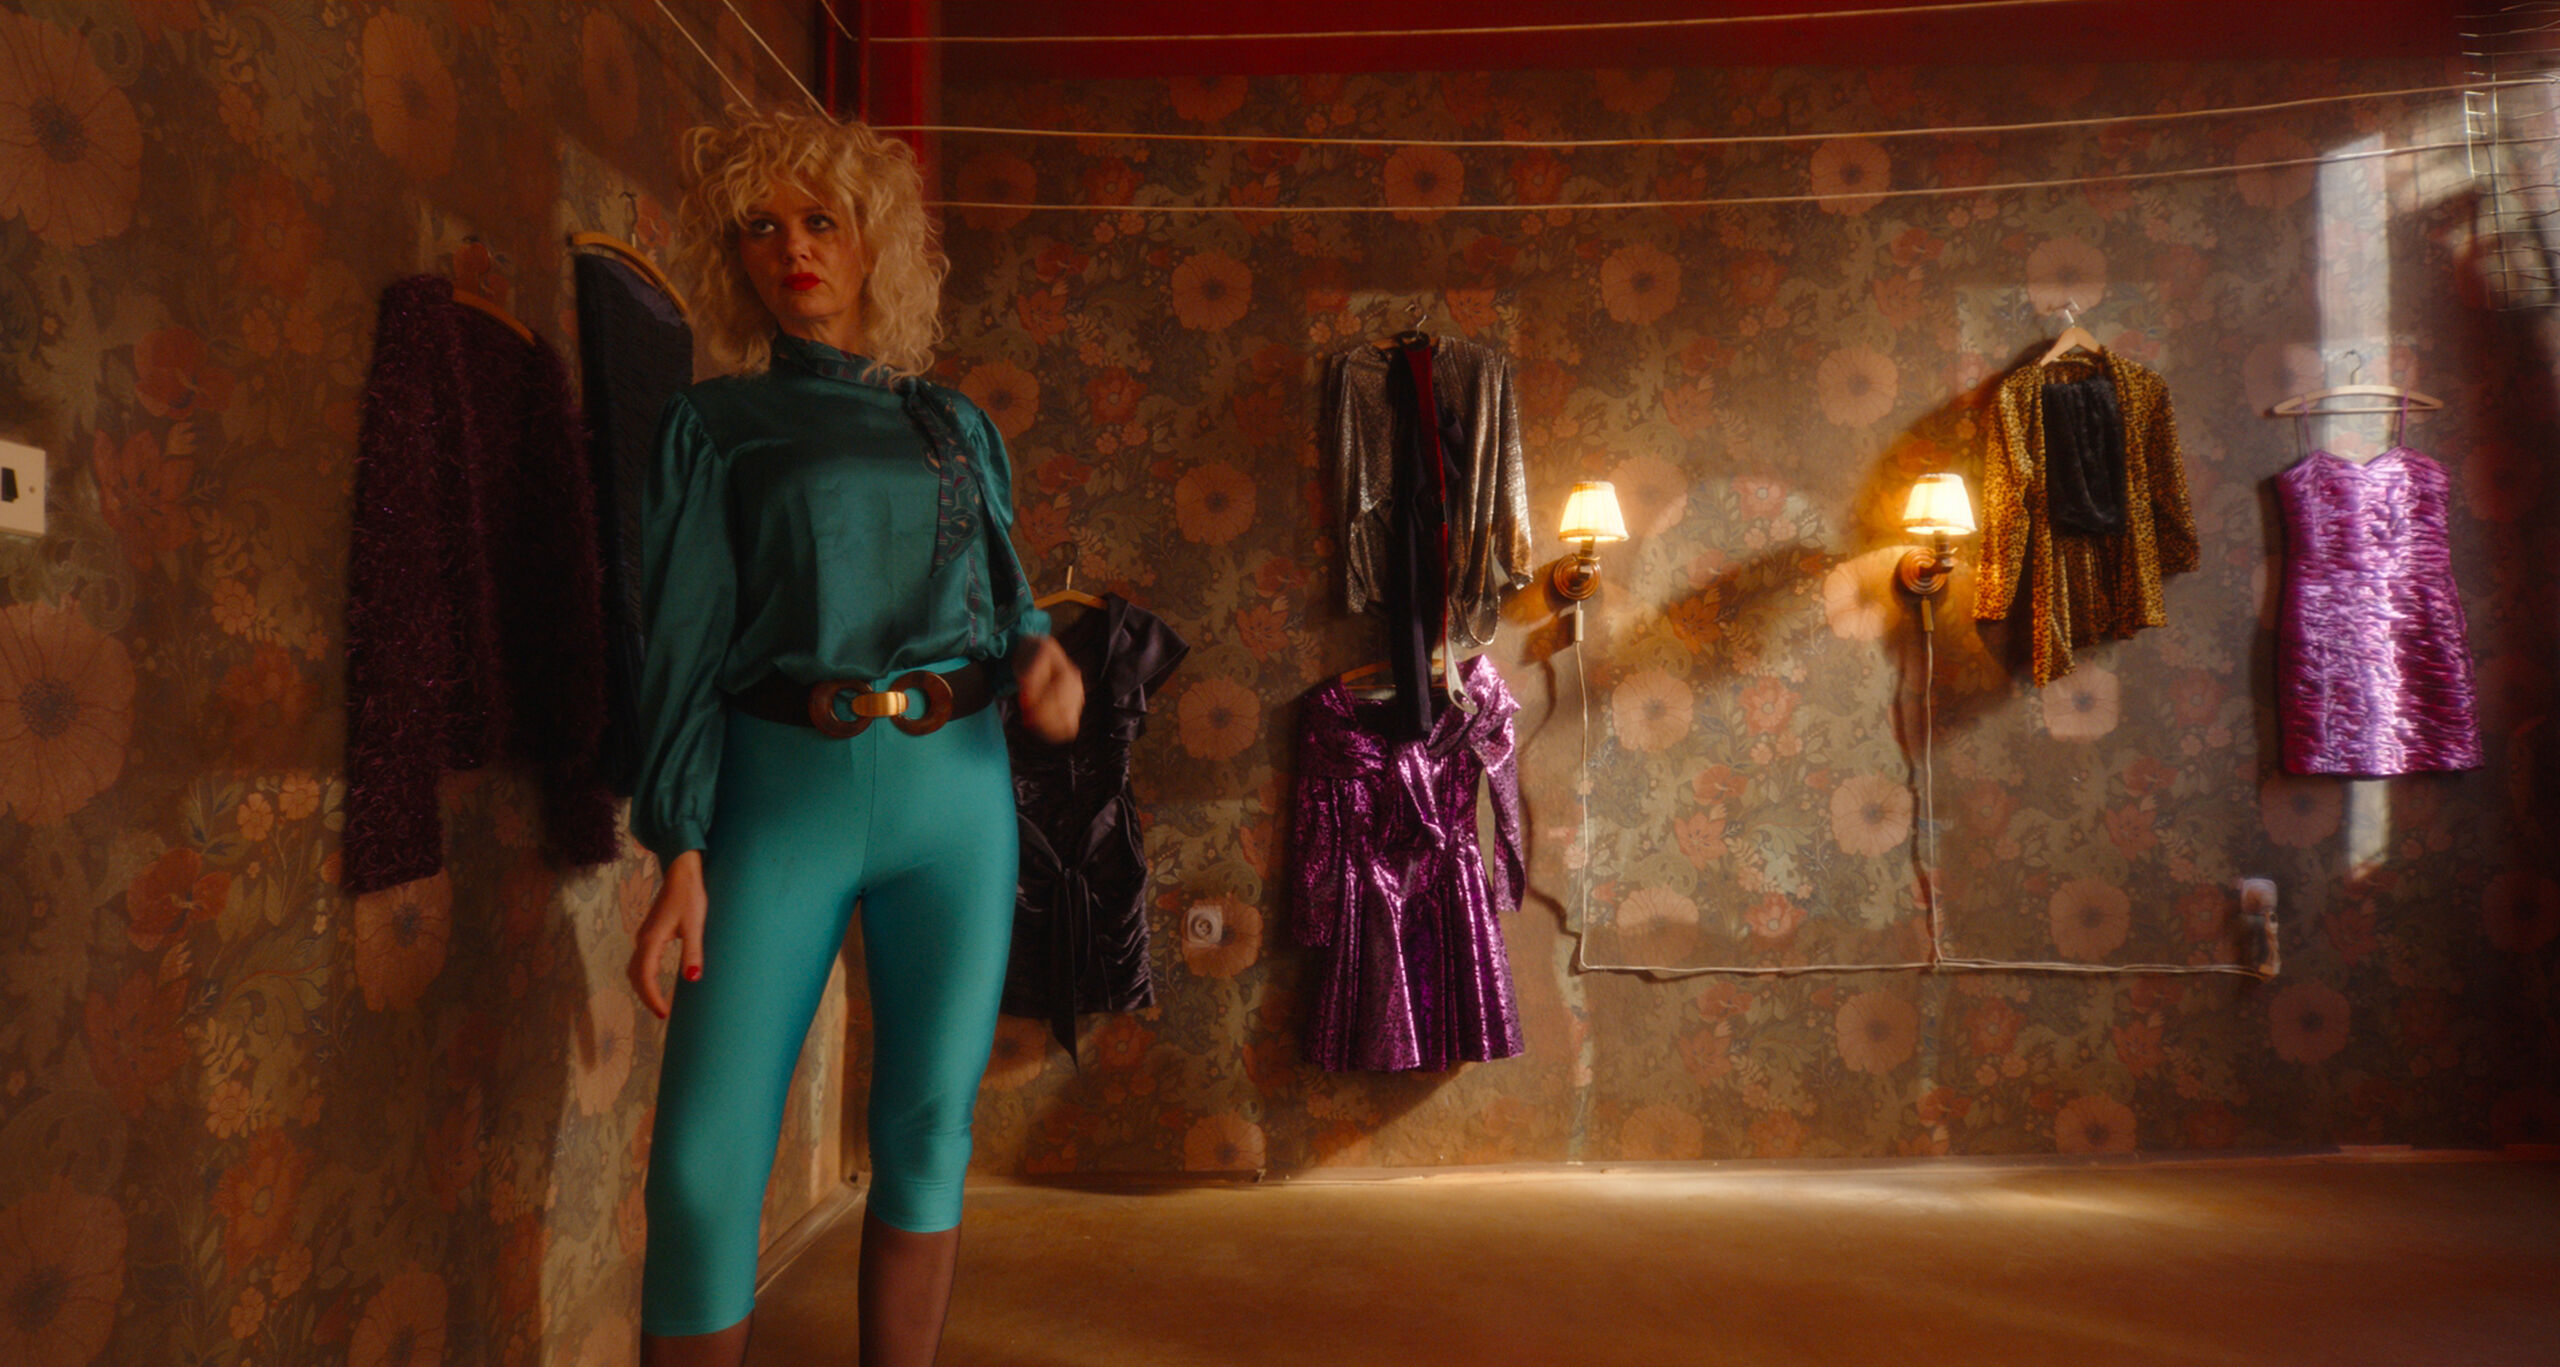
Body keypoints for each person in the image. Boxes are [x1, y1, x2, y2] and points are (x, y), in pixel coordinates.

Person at [624, 107, 1082, 1367]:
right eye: (760, 227)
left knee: (928, 1133)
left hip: (957, 797)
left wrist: (1040, 657)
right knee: (704, 1165)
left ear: (875, 243)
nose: (793, 248)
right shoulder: (714, 425)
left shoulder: (953, 423)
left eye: (821, 220)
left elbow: (1007, 596)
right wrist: (678, 844)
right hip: (781, 795)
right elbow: (680, 647)